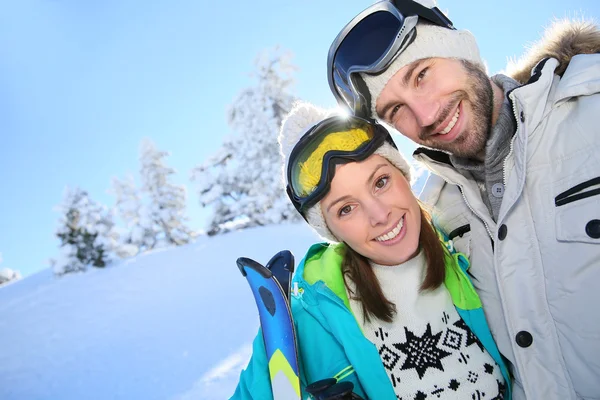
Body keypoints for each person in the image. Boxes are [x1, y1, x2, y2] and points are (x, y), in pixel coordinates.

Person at [326, 1, 600, 398]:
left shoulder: (591, 107)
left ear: (462, 49)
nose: (425, 115)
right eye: (396, 109)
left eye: (421, 75)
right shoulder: (436, 213)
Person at [232, 102, 511, 399]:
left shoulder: (475, 248)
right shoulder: (304, 325)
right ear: (332, 231)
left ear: (403, 175)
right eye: (347, 209)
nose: (379, 215)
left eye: (380, 182)